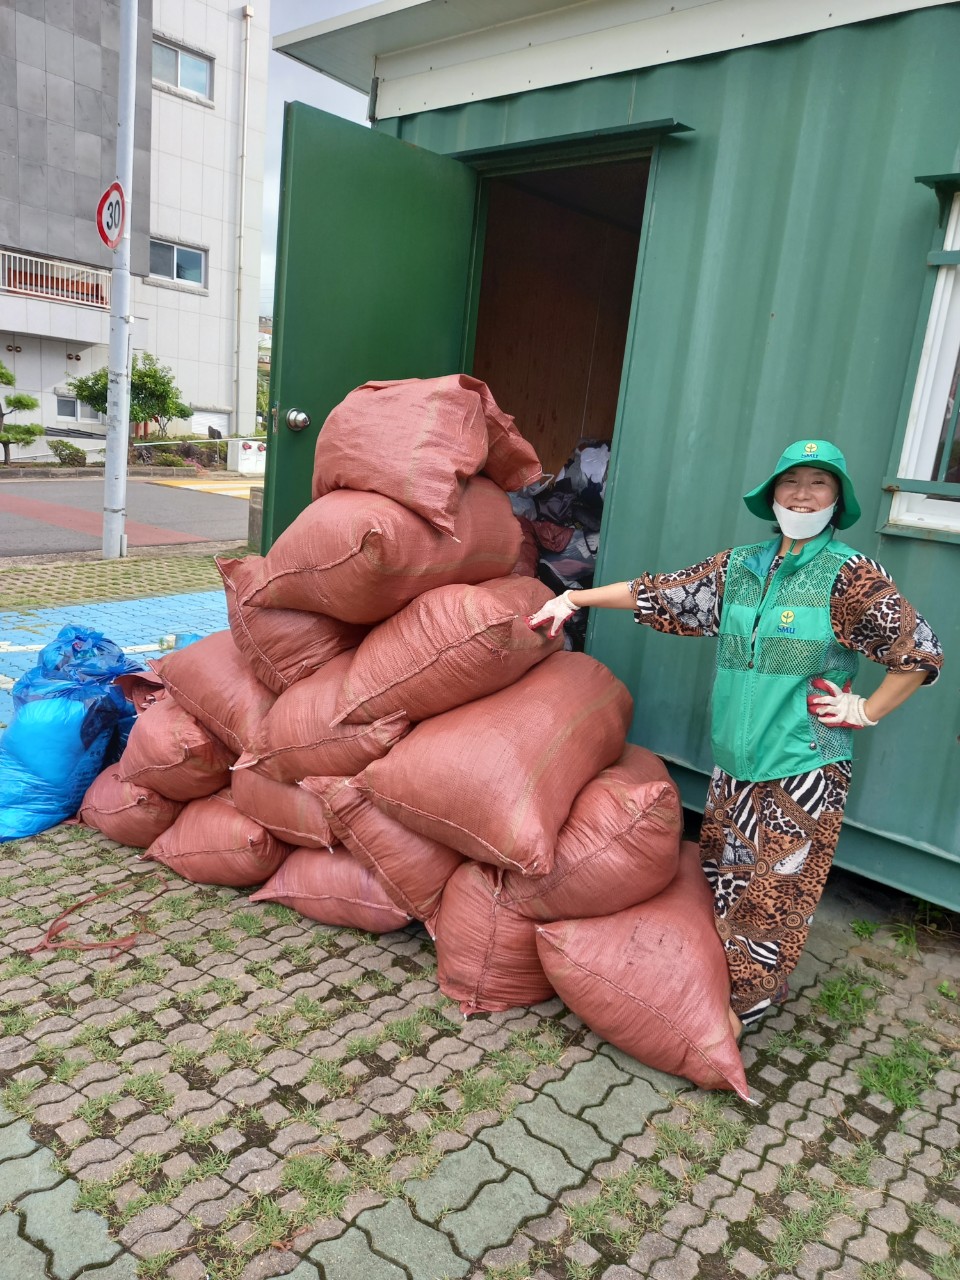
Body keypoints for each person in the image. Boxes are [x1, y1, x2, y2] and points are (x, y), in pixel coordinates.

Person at [528, 439, 943, 1041]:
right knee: (725, 876)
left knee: (772, 901)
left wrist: (866, 709)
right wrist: (572, 596)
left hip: (802, 769)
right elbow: (663, 592)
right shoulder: (741, 568)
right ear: (772, 495)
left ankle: (738, 1016)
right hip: (733, 765)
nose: (802, 496)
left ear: (838, 499)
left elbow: (918, 652)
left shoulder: (850, 578)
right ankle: (710, 988)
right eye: (790, 483)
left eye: (818, 484)